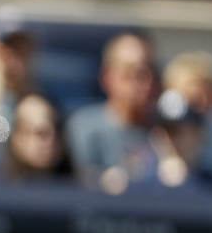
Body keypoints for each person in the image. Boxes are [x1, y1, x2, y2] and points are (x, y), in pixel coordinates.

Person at [65, 31, 159, 193]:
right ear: (108, 77)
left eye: (150, 71)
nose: (146, 82)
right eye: (133, 72)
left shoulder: (166, 131)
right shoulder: (84, 127)